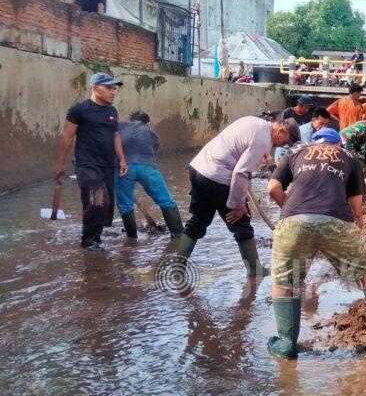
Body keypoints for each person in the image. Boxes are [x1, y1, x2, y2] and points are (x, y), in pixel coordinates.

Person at [265, 127, 366, 359]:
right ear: (338, 144)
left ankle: (287, 343)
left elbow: (272, 188)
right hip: (337, 221)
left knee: (285, 280)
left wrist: (291, 212)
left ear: (315, 143)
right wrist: (356, 226)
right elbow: (356, 207)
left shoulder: (295, 151)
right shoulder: (350, 157)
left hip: (294, 221)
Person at [175, 116, 296, 278]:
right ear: (281, 130)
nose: (282, 145)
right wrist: (238, 205)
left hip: (198, 169)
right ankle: (255, 270)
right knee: (242, 224)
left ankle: (177, 268)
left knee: (198, 221)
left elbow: (242, 164)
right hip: (218, 175)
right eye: (285, 141)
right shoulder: (263, 139)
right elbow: (240, 172)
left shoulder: (254, 121)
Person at [54, 73, 128, 251]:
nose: (113, 91)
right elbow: (68, 136)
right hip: (87, 165)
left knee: (107, 203)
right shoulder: (79, 110)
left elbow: (116, 135)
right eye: (109, 87)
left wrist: (122, 159)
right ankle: (87, 241)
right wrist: (59, 162)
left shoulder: (112, 112)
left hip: (108, 165)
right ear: (95, 88)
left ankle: (96, 238)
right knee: (97, 199)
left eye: (114, 88)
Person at [115, 111, 184, 239]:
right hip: (147, 167)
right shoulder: (153, 134)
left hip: (124, 168)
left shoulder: (120, 126)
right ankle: (179, 235)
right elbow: (153, 151)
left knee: (125, 205)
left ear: (130, 120)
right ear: (148, 123)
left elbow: (114, 144)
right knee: (165, 200)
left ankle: (131, 238)